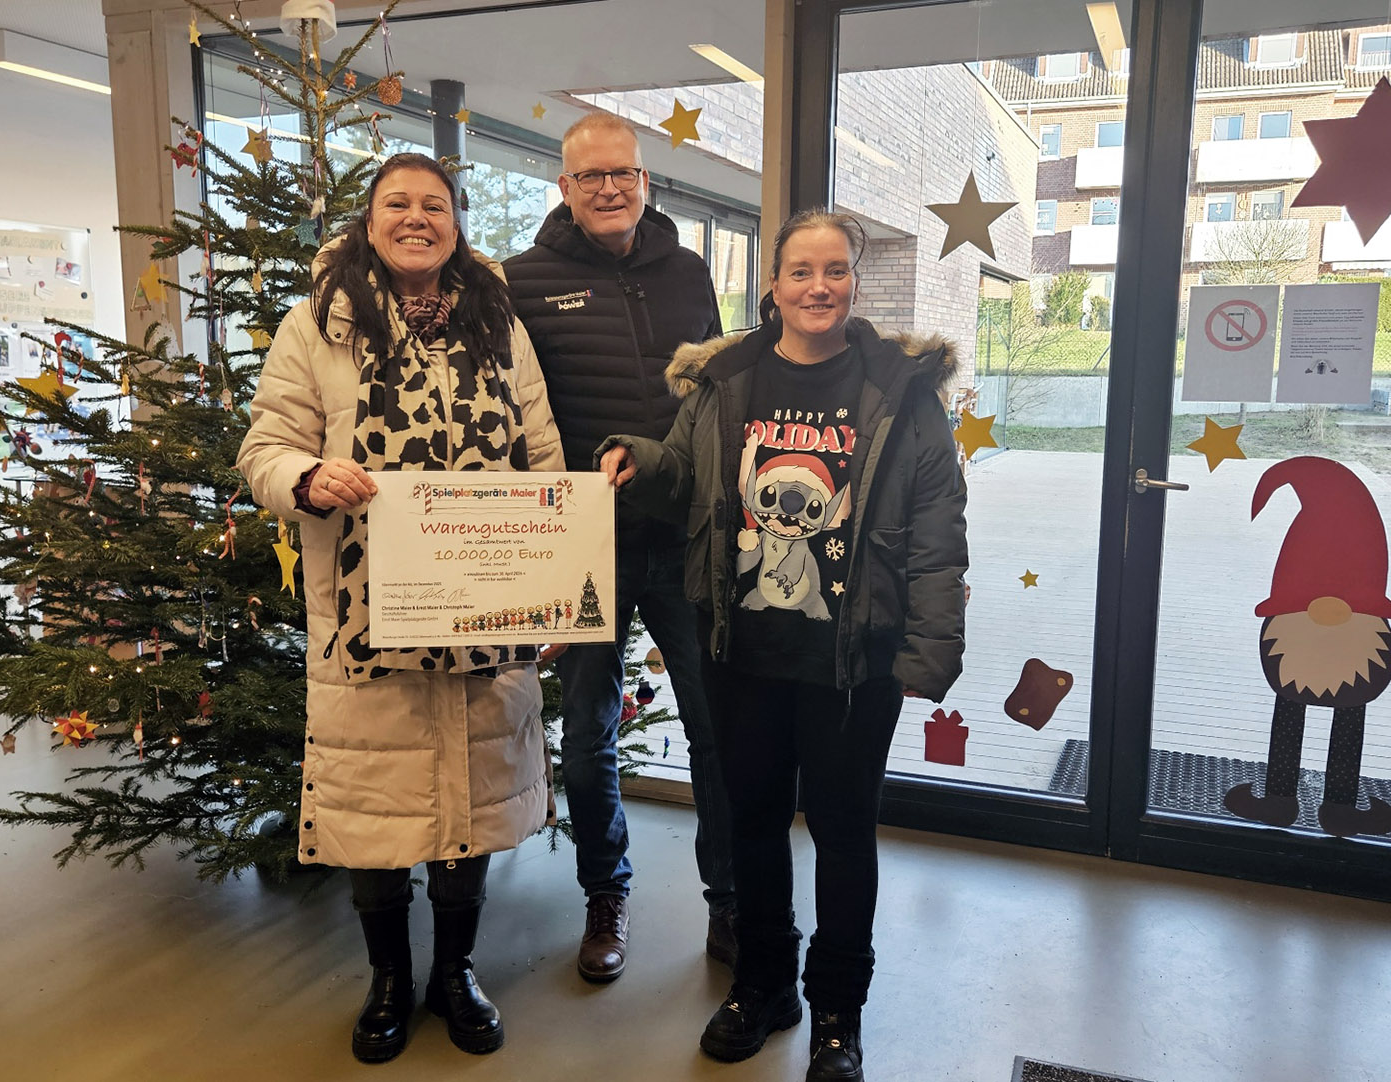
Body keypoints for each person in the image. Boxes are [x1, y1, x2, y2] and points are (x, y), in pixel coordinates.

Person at [596, 210, 969, 1082]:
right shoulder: (726, 378)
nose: (818, 287)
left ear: (854, 282)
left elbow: (937, 532)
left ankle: (838, 1011)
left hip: (855, 662)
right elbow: (685, 476)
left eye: (835, 270)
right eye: (801, 270)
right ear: (773, 283)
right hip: (742, 651)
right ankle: (764, 985)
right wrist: (638, 460)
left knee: (844, 835)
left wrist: (930, 650)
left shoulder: (901, 389)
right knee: (752, 825)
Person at [236, 153, 565, 1064]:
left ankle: (455, 972)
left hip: (485, 603)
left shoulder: (498, 323)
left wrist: (551, 580)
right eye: (397, 204)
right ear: (368, 219)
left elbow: (541, 454)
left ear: (456, 223)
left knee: (473, 794)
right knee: (374, 798)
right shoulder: (319, 324)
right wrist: (308, 476)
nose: (416, 218)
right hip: (365, 612)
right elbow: (265, 446)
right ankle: (388, 979)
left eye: (434, 205)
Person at [505, 112, 735, 983]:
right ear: (564, 187)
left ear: (646, 182)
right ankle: (605, 895)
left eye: (624, 174)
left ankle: (730, 902)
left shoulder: (687, 270)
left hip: (682, 538)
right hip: (582, 545)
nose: (609, 188)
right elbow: (511, 410)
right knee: (589, 735)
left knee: (715, 727)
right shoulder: (521, 281)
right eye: (591, 175)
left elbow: (712, 396)